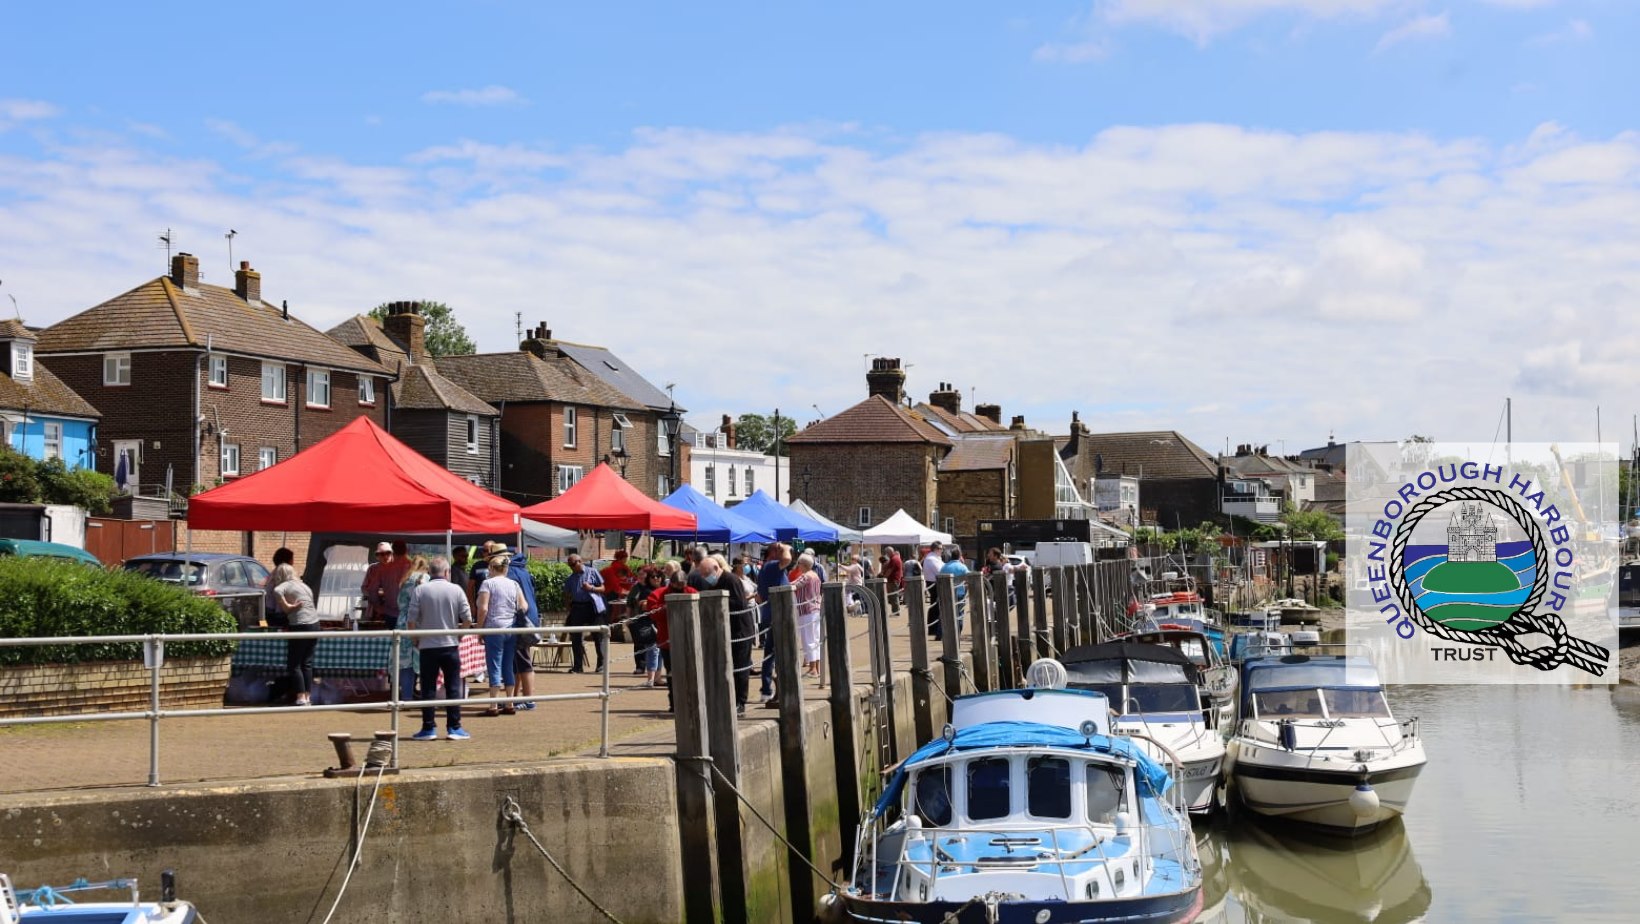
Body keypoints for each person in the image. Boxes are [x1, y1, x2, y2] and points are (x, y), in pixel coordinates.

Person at [406, 557, 474, 741]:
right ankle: (454, 727)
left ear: (430, 572)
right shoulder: (456, 589)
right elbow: (467, 618)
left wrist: (415, 639)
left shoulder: (420, 590)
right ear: (446, 572)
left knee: (427, 687)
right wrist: (460, 635)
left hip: (428, 646)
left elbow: (410, 619)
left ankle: (428, 728)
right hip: (450, 645)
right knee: (453, 686)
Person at [701, 553, 755, 714]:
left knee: (740, 668)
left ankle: (740, 702)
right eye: (703, 575)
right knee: (727, 667)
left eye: (706, 574)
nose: (705, 578)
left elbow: (739, 603)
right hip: (726, 632)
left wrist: (718, 600)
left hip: (740, 631)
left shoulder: (731, 580)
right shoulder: (715, 583)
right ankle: (728, 699)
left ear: (716, 568)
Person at [476, 555, 528, 715]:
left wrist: (479, 630)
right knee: (508, 665)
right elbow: (524, 606)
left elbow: (483, 608)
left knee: (494, 664)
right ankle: (510, 702)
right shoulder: (514, 584)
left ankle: (493, 705)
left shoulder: (487, 583)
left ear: (491, 568)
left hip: (494, 628)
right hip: (511, 628)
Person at [645, 569, 696, 712]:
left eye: (682, 587)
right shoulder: (658, 594)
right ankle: (674, 703)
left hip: (689, 640)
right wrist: (668, 607)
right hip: (668, 641)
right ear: (671, 584)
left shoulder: (692, 591)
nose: (680, 590)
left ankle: (690, 701)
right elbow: (653, 613)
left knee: (690, 672)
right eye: (676, 587)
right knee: (672, 673)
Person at [271, 564, 319, 706]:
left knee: (294, 664)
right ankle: (308, 696)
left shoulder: (283, 586)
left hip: (300, 624)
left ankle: (300, 697)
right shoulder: (304, 585)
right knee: (307, 663)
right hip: (315, 624)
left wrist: (288, 607)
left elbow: (278, 595)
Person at [506, 547, 542, 710]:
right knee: (518, 660)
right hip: (530, 617)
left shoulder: (511, 572)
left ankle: (529, 700)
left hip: (521, 619)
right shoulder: (523, 570)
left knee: (523, 660)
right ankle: (514, 698)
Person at [755, 543, 791, 704]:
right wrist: (785, 547)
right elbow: (787, 558)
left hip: (774, 613)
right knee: (773, 653)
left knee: (772, 653)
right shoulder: (771, 566)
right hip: (777, 615)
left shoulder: (768, 568)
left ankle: (770, 688)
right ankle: (769, 689)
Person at [395, 556, 431, 698]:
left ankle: (406, 697)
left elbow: (399, 603)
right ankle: (426, 696)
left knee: (406, 664)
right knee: (423, 662)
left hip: (402, 622)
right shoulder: (425, 578)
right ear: (425, 566)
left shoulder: (405, 579)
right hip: (419, 622)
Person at [565, 554, 607, 673]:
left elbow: (603, 588)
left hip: (592, 606)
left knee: (598, 636)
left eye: (573, 564)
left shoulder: (592, 572)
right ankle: (578, 666)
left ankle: (601, 664)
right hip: (577, 607)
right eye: (570, 565)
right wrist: (569, 608)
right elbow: (567, 595)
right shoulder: (570, 578)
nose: (572, 567)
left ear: (580, 561)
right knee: (576, 637)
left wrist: (591, 588)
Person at [361, 541, 413, 628]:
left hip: (392, 612)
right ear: (377, 556)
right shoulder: (375, 568)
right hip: (394, 612)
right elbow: (367, 589)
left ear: (392, 553)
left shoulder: (384, 569)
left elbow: (371, 589)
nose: (385, 556)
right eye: (381, 554)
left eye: (388, 553)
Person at [629, 567, 665, 684]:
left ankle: (658, 678)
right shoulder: (646, 591)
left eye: (658, 576)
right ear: (648, 579)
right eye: (653, 577)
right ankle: (650, 678)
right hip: (649, 624)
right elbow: (643, 606)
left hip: (661, 624)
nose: (655, 579)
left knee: (660, 651)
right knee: (653, 651)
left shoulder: (664, 589)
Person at [791, 553, 824, 677]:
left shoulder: (806, 576)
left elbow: (792, 585)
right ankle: (816, 668)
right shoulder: (815, 575)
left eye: (799, 563)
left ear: (803, 564)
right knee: (815, 639)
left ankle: (813, 669)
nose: (797, 565)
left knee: (808, 640)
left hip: (806, 611)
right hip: (816, 610)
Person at [263, 547, 295, 628]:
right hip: (278, 613)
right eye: (292, 559)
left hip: (269, 610)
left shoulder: (272, 574)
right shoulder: (283, 574)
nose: (293, 562)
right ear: (286, 561)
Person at [923, 541, 945, 636]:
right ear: (935, 549)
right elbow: (940, 571)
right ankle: (933, 628)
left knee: (935, 605)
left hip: (934, 582)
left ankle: (934, 628)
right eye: (940, 549)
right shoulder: (932, 559)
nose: (942, 550)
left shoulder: (935, 558)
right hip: (934, 583)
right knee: (935, 606)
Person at [883, 547, 904, 615]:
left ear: (889, 552)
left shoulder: (894, 559)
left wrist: (884, 578)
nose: (886, 555)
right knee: (893, 596)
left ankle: (896, 612)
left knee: (894, 596)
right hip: (895, 579)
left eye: (887, 553)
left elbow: (890, 570)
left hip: (893, 580)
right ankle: (895, 611)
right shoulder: (896, 558)